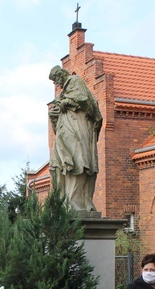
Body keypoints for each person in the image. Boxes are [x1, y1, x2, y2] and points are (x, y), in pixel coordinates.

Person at [48, 65, 103, 213]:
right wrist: (54, 113)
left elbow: (84, 99)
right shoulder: (63, 93)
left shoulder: (75, 80)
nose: (56, 84)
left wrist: (67, 102)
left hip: (77, 128)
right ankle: (64, 201)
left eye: (56, 80)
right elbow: (57, 117)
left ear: (61, 75)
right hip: (64, 131)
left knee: (79, 161)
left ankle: (76, 203)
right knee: (58, 164)